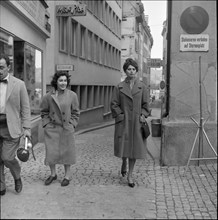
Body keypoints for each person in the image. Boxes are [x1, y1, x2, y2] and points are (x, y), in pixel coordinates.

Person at [110, 58, 150, 188]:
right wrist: (121, 115)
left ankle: (130, 175)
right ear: (125, 71)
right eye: (129, 69)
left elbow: (146, 105)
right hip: (124, 122)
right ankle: (123, 161)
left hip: (137, 123)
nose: (131, 71)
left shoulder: (142, 87)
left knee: (134, 150)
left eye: (133, 69)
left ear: (136, 71)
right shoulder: (119, 87)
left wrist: (143, 115)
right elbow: (114, 104)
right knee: (125, 147)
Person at [40, 71, 80, 187]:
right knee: (51, 153)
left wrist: (72, 124)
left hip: (66, 128)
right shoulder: (48, 96)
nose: (63, 83)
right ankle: (53, 174)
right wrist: (47, 124)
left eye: (65, 81)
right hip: (52, 128)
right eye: (61, 80)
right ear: (56, 82)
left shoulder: (72, 95)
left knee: (67, 153)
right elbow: (44, 112)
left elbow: (76, 112)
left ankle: (67, 176)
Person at [0, 54, 31, 196]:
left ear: (8, 67)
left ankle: (17, 177)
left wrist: (27, 128)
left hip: (10, 127)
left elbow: (25, 108)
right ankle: (1, 186)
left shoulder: (19, 84)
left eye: (1, 67)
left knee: (7, 157)